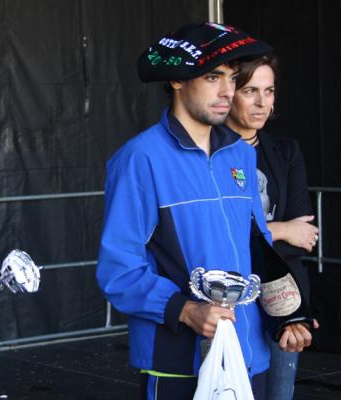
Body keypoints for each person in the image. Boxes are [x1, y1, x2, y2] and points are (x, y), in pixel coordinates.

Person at [96, 22, 313, 400]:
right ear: (177, 80)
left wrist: (287, 316)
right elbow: (119, 271)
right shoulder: (139, 159)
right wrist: (184, 310)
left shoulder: (241, 155)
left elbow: (258, 245)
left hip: (249, 356)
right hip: (177, 362)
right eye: (213, 77)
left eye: (231, 78)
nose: (227, 91)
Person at [225, 54, 319, 400]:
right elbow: (214, 233)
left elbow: (303, 236)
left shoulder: (286, 151)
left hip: (281, 298)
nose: (262, 102)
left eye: (269, 91)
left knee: (279, 394)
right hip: (228, 298)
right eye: (250, 90)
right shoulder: (209, 153)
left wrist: (298, 309)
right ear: (229, 92)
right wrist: (280, 229)